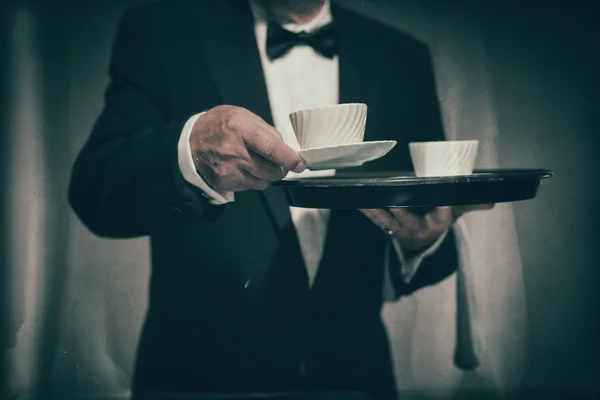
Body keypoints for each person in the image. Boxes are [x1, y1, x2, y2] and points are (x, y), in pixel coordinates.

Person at [68, 0, 492, 399]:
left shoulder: (403, 55)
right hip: (198, 377)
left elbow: (429, 207)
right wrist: (190, 150)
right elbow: (96, 195)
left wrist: (419, 243)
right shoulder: (159, 31)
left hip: (355, 379)